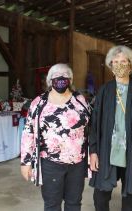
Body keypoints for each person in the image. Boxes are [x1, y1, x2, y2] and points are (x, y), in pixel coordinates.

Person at [89, 45, 132, 211]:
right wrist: (93, 151)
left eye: (124, 61)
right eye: (116, 61)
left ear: (131, 64)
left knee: (129, 196)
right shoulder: (104, 91)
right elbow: (95, 123)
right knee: (100, 195)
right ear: (111, 65)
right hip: (107, 150)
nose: (120, 65)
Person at [20, 63, 90, 211]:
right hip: (50, 164)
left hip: (77, 163)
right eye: (56, 76)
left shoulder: (80, 100)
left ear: (70, 80)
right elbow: (28, 132)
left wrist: (94, 154)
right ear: (49, 80)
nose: (60, 78)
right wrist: (25, 162)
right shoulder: (39, 103)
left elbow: (92, 127)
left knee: (74, 203)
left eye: (65, 76)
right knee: (52, 205)